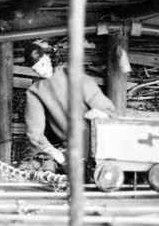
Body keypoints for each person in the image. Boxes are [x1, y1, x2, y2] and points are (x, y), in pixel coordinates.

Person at [24, 39, 117, 170]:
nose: (42, 71)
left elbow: (101, 103)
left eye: (43, 64)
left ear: (47, 57)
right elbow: (34, 131)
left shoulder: (70, 74)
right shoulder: (35, 92)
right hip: (70, 147)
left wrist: (101, 113)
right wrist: (53, 152)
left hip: (98, 139)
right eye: (36, 69)